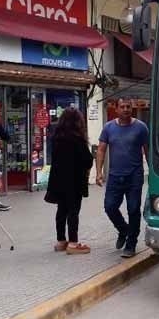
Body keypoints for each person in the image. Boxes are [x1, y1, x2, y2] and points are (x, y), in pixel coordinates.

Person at [96, 98, 149, 259]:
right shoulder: (108, 128)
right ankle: (124, 230)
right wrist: (98, 172)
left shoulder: (141, 128)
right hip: (114, 176)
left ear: (131, 109)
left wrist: (153, 172)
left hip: (134, 176)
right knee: (110, 207)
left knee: (133, 210)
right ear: (116, 109)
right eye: (122, 107)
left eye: (128, 107)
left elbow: (147, 150)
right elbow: (101, 150)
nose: (126, 109)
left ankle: (131, 244)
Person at [45, 108, 94, 254]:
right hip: (74, 181)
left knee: (61, 210)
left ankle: (61, 241)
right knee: (73, 211)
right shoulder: (77, 139)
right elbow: (87, 160)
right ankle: (73, 243)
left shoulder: (56, 138)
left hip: (58, 180)